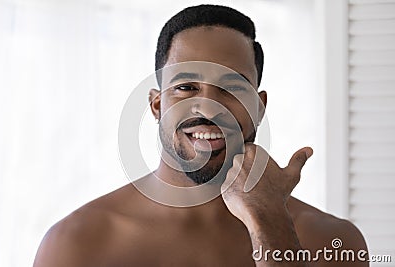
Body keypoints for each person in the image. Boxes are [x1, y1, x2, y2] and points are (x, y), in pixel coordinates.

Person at [34, 5, 368, 266]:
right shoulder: (77, 244)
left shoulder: (332, 242)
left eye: (232, 88)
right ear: (156, 105)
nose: (208, 108)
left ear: (259, 107)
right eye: (186, 87)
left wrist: (270, 225)